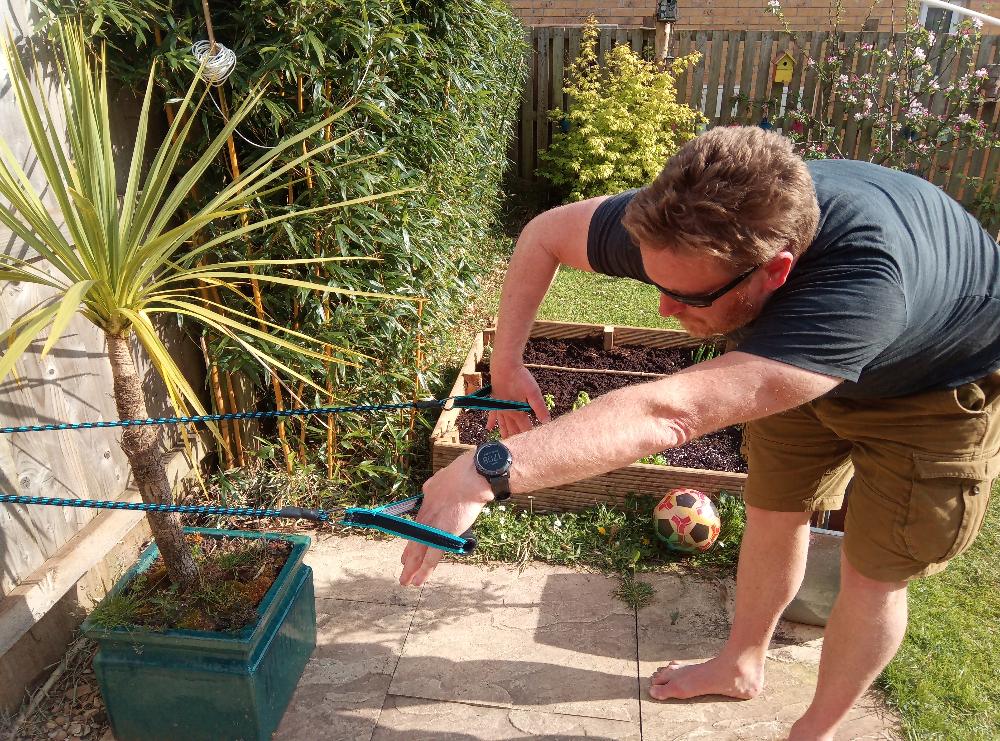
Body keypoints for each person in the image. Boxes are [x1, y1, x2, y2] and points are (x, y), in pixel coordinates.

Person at [398, 126, 1000, 741]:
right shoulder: (691, 224)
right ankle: (740, 664)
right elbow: (543, 235)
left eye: (687, 295)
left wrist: (485, 471)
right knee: (774, 509)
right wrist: (507, 361)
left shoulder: (865, 283)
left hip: (931, 389)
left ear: (776, 270)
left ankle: (813, 732)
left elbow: (671, 413)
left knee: (874, 571)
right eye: (656, 282)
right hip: (790, 350)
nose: (662, 309)